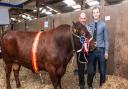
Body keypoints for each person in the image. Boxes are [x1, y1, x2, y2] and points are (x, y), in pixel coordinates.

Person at [87, 6, 109, 89]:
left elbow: (106, 40)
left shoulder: (103, 25)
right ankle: (89, 85)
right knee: (91, 71)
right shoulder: (89, 25)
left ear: (99, 13)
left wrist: (106, 51)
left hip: (101, 51)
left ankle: (102, 86)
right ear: (92, 14)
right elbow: (87, 39)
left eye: (97, 12)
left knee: (102, 71)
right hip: (91, 51)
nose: (95, 14)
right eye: (94, 12)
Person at [76, 12, 89, 89]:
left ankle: (89, 83)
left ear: (86, 19)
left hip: (89, 51)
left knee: (90, 70)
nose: (83, 20)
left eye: (84, 18)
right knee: (81, 70)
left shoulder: (89, 27)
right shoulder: (76, 29)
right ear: (79, 18)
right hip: (80, 51)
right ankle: (82, 84)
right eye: (81, 18)